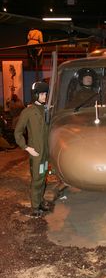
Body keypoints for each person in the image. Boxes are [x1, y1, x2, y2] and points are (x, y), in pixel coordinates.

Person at [14, 81, 49, 217]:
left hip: (45, 153)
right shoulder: (28, 111)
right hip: (36, 153)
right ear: (35, 95)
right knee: (36, 179)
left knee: (43, 177)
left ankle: (40, 201)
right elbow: (18, 132)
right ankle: (35, 207)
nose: (45, 96)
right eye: (42, 94)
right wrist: (27, 148)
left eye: (45, 93)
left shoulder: (46, 109)